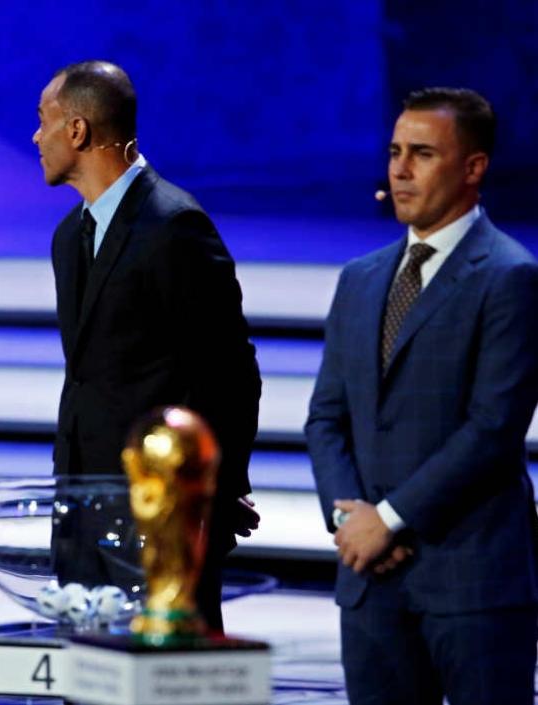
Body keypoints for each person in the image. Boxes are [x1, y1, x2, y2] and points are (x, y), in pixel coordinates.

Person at [307, 87, 538, 704]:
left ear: (474, 168)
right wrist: (349, 519)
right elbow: (326, 418)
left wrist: (388, 521)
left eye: (423, 154)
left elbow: (493, 429)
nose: (400, 169)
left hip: (470, 586)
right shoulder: (359, 280)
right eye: (394, 152)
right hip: (368, 584)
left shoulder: (509, 277)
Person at [34, 60, 261, 632]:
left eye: (44, 121)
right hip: (84, 508)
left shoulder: (173, 226)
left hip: (164, 518)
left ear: (78, 131)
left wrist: (215, 493)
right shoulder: (69, 237)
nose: (37, 137)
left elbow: (230, 373)